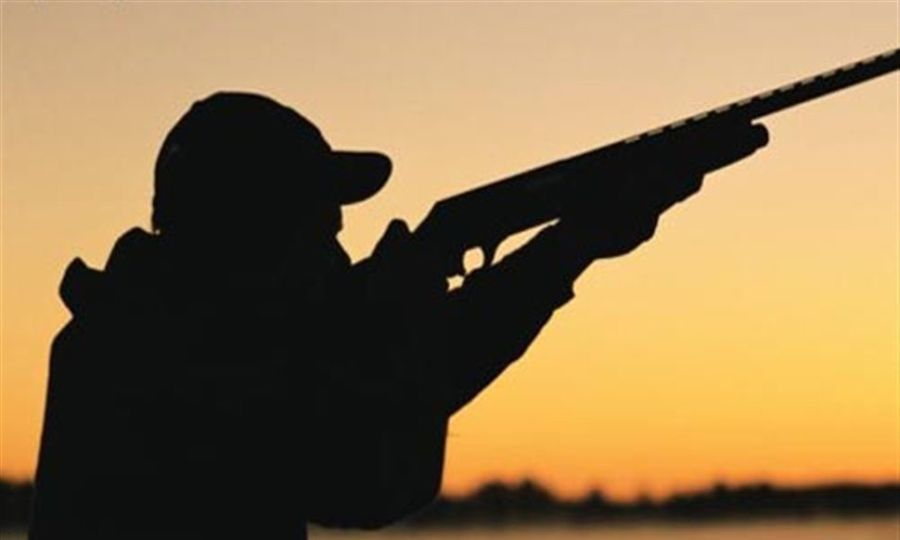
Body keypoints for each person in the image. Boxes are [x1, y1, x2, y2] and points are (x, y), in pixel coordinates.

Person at [29, 92, 767, 538]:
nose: (336, 254)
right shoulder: (143, 350)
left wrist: (571, 245)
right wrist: (412, 293)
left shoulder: (142, 323)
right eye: (317, 232)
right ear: (248, 231)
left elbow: (386, 379)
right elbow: (366, 475)